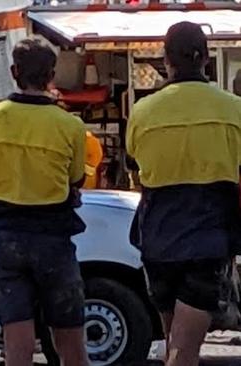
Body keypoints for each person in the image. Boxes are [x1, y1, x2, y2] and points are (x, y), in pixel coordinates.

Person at [126, 22, 241, 366]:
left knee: (175, 344)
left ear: (166, 61)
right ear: (206, 58)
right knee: (184, 351)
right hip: (208, 240)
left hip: (158, 240)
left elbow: (135, 167)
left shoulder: (144, 111)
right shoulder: (233, 109)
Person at [0, 39, 88, 366]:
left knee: (17, 342)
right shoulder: (70, 125)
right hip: (53, 239)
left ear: (14, 72)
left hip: (6, 238)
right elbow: (75, 179)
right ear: (52, 75)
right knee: (70, 341)